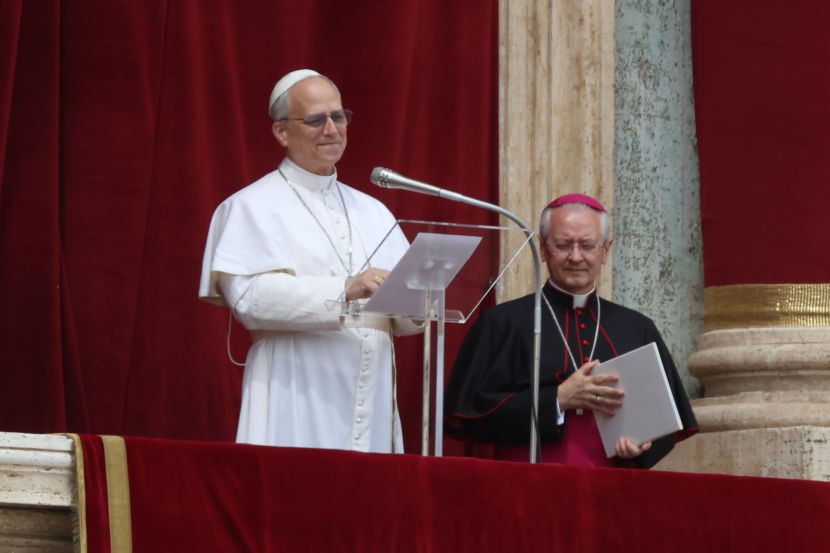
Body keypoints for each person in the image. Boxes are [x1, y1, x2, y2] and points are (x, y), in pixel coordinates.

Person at [199, 69, 421, 453]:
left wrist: (424, 294)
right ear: (281, 132)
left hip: (373, 393)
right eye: (316, 119)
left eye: (339, 116)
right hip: (294, 386)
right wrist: (345, 288)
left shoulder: (374, 211)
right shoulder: (250, 206)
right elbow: (250, 299)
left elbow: (408, 314)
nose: (332, 129)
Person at [444, 193, 697, 468]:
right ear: (543, 249)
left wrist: (642, 447)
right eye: (563, 245)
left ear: (606, 250)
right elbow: (470, 414)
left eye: (587, 245)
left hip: (613, 485)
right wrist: (557, 399)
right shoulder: (502, 323)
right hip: (528, 483)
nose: (576, 257)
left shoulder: (637, 328)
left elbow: (665, 420)